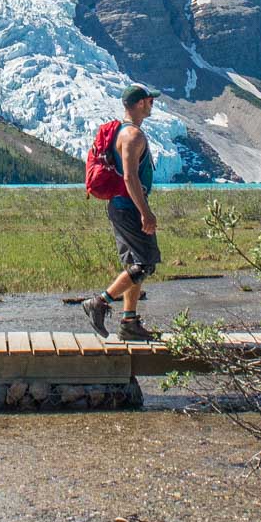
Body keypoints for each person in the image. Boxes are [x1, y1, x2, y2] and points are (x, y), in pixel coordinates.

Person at [82, 83, 162, 341]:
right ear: (140, 104)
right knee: (146, 263)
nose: (152, 105)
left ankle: (129, 322)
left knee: (133, 264)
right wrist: (145, 212)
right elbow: (130, 177)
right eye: (150, 101)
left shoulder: (121, 131)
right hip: (128, 207)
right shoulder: (132, 136)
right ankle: (100, 302)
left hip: (121, 206)